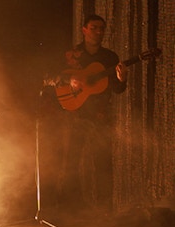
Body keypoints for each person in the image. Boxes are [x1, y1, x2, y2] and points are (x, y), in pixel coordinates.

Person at [54, 14, 126, 216]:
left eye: (102, 28)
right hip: (75, 114)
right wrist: (70, 80)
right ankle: (71, 208)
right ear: (84, 30)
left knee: (103, 162)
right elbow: (49, 78)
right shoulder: (71, 55)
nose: (98, 32)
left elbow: (117, 89)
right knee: (71, 162)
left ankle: (105, 211)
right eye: (94, 28)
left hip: (101, 115)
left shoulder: (110, 58)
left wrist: (122, 79)